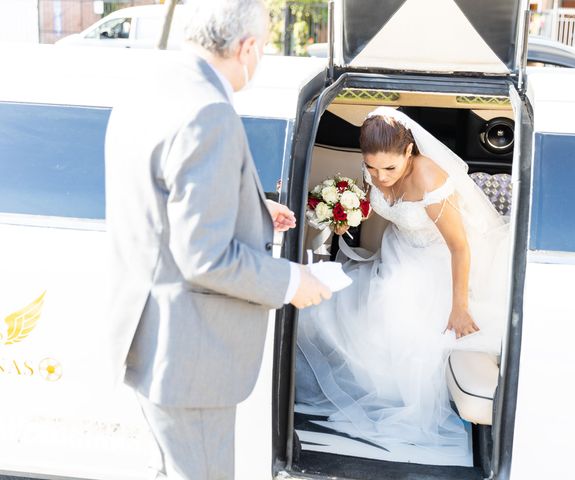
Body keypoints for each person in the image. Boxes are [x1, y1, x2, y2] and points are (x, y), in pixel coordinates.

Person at [104, 1, 331, 478]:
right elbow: (204, 257)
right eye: (264, 47)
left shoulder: (151, 87)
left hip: (154, 340)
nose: (261, 57)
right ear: (246, 47)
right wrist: (293, 281)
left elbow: (159, 197)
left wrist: (250, 207)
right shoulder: (209, 112)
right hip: (190, 360)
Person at [296, 107, 510, 464]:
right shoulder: (375, 170)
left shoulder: (429, 179)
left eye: (390, 169)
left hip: (439, 260)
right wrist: (344, 216)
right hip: (399, 249)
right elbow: (376, 207)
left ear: (409, 152)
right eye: (373, 167)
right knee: (341, 304)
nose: (380, 178)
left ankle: (390, 394)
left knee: (395, 307)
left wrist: (459, 307)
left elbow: (460, 247)